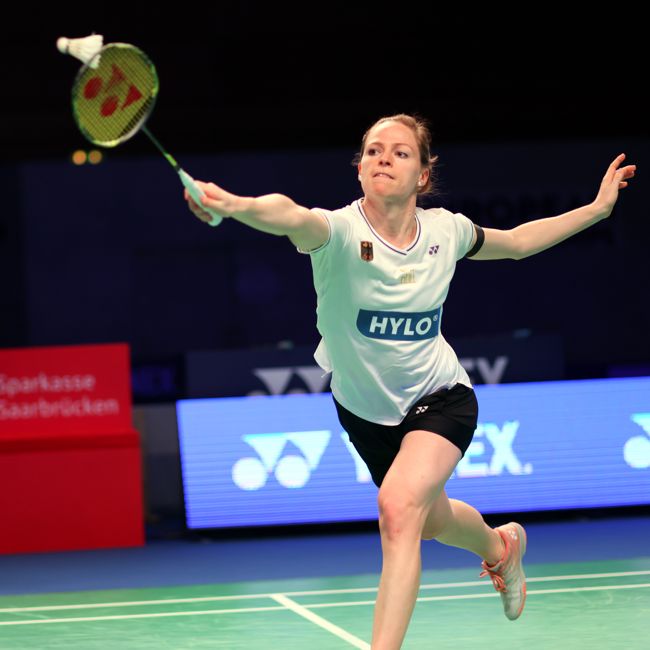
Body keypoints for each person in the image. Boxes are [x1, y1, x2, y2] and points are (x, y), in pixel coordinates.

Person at [184, 114, 636, 650]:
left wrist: (597, 208)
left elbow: (515, 242)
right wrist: (233, 204)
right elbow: (288, 214)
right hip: (364, 412)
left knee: (399, 510)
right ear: (359, 169)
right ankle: (500, 548)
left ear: (424, 173)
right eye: (373, 150)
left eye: (400, 152)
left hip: (441, 398)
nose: (383, 158)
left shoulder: (446, 230)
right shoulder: (338, 233)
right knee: (428, 520)